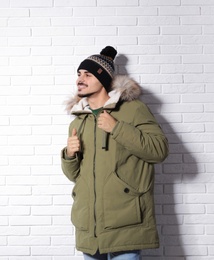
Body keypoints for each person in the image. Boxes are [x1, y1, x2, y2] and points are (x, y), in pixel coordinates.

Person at [61, 46, 169, 260]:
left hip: (125, 220)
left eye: (88, 74)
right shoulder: (79, 120)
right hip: (89, 226)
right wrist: (69, 155)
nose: (80, 79)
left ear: (103, 79)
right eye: (79, 74)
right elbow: (75, 176)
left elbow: (159, 150)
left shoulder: (133, 109)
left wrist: (117, 128)